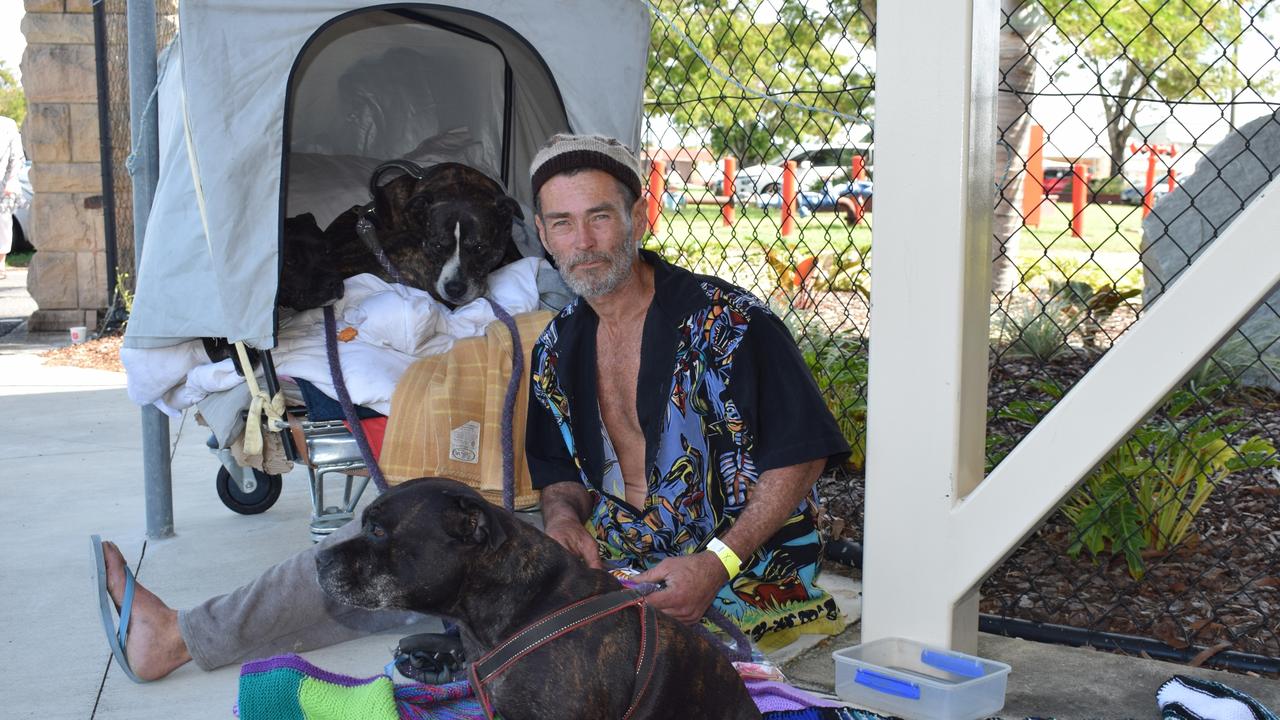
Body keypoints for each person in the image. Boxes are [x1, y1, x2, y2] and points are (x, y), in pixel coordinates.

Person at [93, 133, 849, 682]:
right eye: (560, 224)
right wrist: (560, 521)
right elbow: (556, 470)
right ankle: (180, 637)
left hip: (741, 579)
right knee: (402, 532)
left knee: (602, 676)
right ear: (541, 237)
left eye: (599, 217)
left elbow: (800, 453)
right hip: (615, 554)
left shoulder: (731, 323)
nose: (581, 242)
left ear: (638, 217)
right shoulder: (560, 344)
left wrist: (715, 564)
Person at [0, 115, 25, 279]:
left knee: (3, 222)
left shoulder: (7, 125)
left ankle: (1, 264)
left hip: (3, 183)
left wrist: (11, 181)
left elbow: (17, 156)